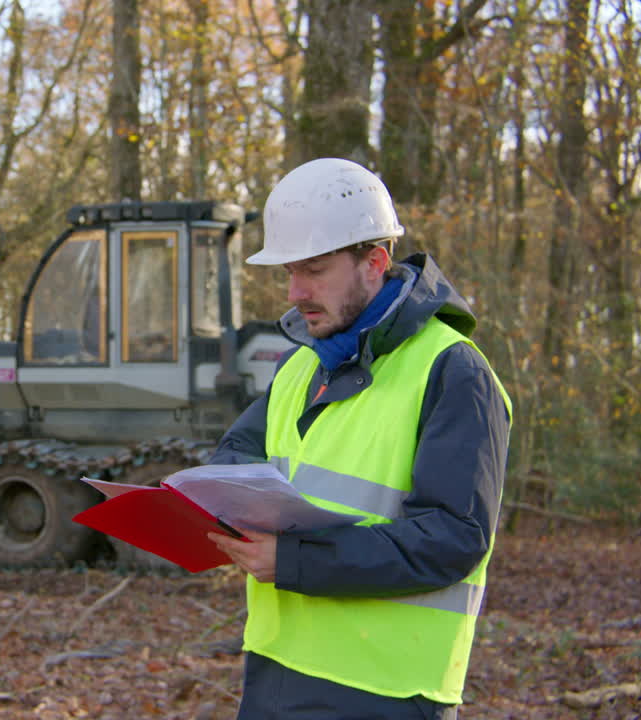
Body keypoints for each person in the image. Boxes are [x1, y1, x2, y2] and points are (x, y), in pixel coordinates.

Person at [206, 157, 511, 720]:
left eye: (315, 270)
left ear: (375, 261)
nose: (295, 291)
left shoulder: (454, 372)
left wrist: (295, 561)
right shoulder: (301, 366)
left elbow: (453, 538)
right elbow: (235, 455)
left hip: (387, 691)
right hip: (276, 668)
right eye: (289, 272)